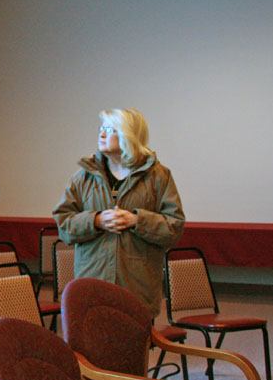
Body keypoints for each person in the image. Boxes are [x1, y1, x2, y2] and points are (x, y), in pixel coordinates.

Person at [52, 108, 185, 316]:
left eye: (110, 129)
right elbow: (64, 225)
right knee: (92, 347)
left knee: (133, 347)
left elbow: (173, 228)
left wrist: (137, 220)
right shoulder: (83, 177)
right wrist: (96, 221)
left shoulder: (158, 176)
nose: (102, 135)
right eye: (101, 128)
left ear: (128, 135)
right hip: (92, 282)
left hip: (137, 286)